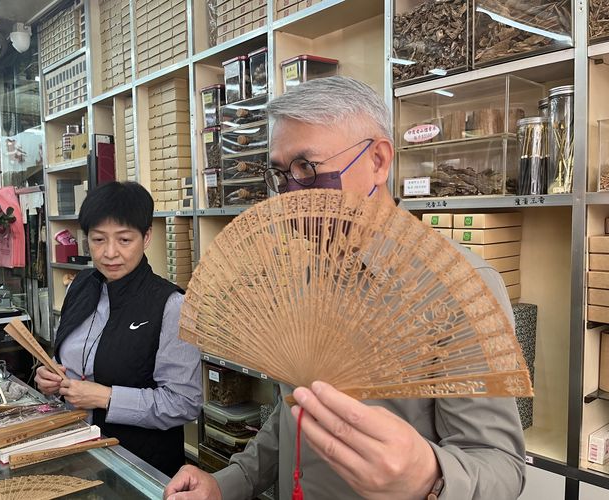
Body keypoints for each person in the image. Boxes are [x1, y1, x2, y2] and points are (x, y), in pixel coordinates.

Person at [164, 77, 525, 499]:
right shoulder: (305, 271)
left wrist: (430, 476)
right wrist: (229, 483)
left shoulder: (459, 287)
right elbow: (295, 412)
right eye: (280, 175)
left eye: (307, 168)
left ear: (377, 160)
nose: (292, 197)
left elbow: (501, 466)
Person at [35, 181, 202, 477]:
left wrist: (105, 398)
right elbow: (71, 361)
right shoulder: (82, 285)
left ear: (146, 237)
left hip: (137, 468)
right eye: (98, 240)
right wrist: (50, 376)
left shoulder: (171, 305)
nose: (110, 253)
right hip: (75, 452)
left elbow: (184, 403)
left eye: (124, 240)